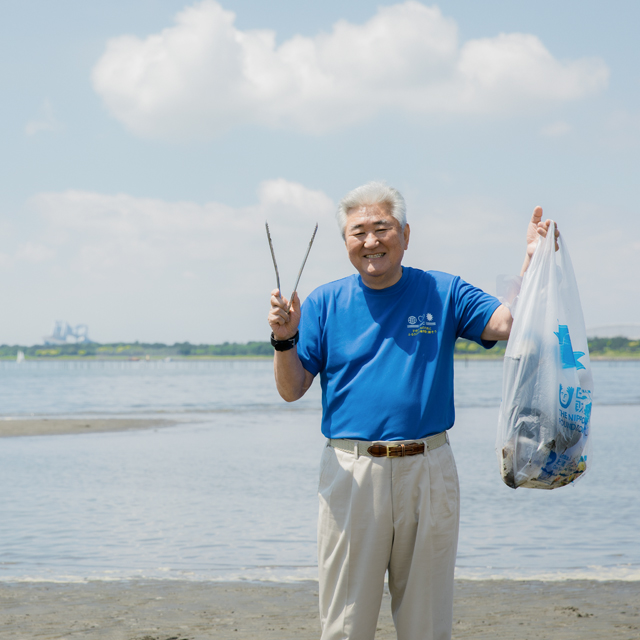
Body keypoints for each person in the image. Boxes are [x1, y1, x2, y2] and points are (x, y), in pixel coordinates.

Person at [267, 181, 558, 640]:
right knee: (345, 623)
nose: (370, 241)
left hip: (429, 468)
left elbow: (509, 322)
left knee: (426, 621)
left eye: (381, 228)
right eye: (357, 232)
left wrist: (534, 260)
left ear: (405, 234)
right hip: (351, 471)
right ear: (346, 242)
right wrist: (284, 337)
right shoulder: (323, 302)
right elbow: (291, 389)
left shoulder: (442, 291)